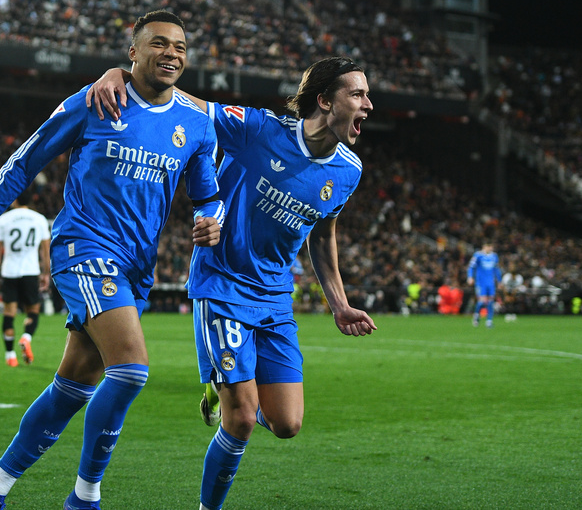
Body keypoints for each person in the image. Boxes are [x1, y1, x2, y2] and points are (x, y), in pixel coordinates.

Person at [0, 10, 226, 510]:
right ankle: (84, 498)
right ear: (132, 52)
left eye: (180, 47)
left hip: (137, 267)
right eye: (159, 43)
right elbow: (24, 161)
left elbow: (207, 195)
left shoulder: (196, 123)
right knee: (131, 370)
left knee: (73, 385)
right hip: (84, 249)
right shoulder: (96, 101)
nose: (171, 54)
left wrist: (211, 219)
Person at [88, 55, 377, 510]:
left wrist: (339, 304)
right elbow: (189, 104)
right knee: (241, 418)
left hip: (275, 298)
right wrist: (123, 76)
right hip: (221, 285)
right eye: (357, 94)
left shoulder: (348, 170)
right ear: (324, 100)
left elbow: (323, 236)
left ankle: (219, 390)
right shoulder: (259, 129)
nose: (368, 104)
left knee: (287, 424)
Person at [0, 191, 52, 367]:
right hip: (30, 271)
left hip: (9, 271)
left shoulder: (4, 220)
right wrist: (46, 273)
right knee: (33, 310)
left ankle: (10, 356)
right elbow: (45, 251)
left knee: (9, 313)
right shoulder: (39, 219)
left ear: (15, 200)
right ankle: (26, 337)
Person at [467, 241, 502, 328]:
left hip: (490, 283)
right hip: (481, 282)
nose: (490, 248)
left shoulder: (494, 256)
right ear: (484, 246)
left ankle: (489, 321)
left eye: (491, 246)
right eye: (488, 246)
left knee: (490, 301)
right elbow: (471, 267)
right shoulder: (478, 255)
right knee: (482, 301)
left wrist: (499, 281)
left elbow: (496, 269)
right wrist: (470, 277)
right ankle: (476, 315)